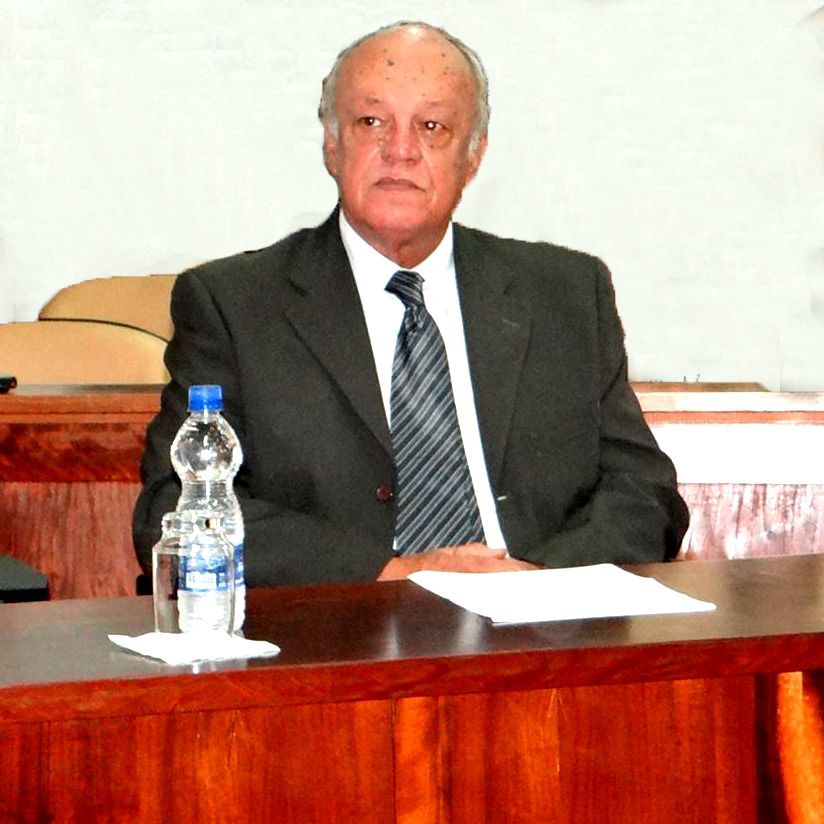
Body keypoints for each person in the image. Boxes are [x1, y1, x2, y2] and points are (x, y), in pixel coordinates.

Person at [133, 21, 689, 587]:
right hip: (345, 625)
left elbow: (643, 492)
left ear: (473, 156)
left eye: (432, 127)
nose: (400, 151)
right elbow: (175, 510)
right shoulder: (234, 305)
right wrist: (397, 575)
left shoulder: (565, 293)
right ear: (331, 144)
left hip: (538, 621)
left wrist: (536, 585)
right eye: (372, 122)